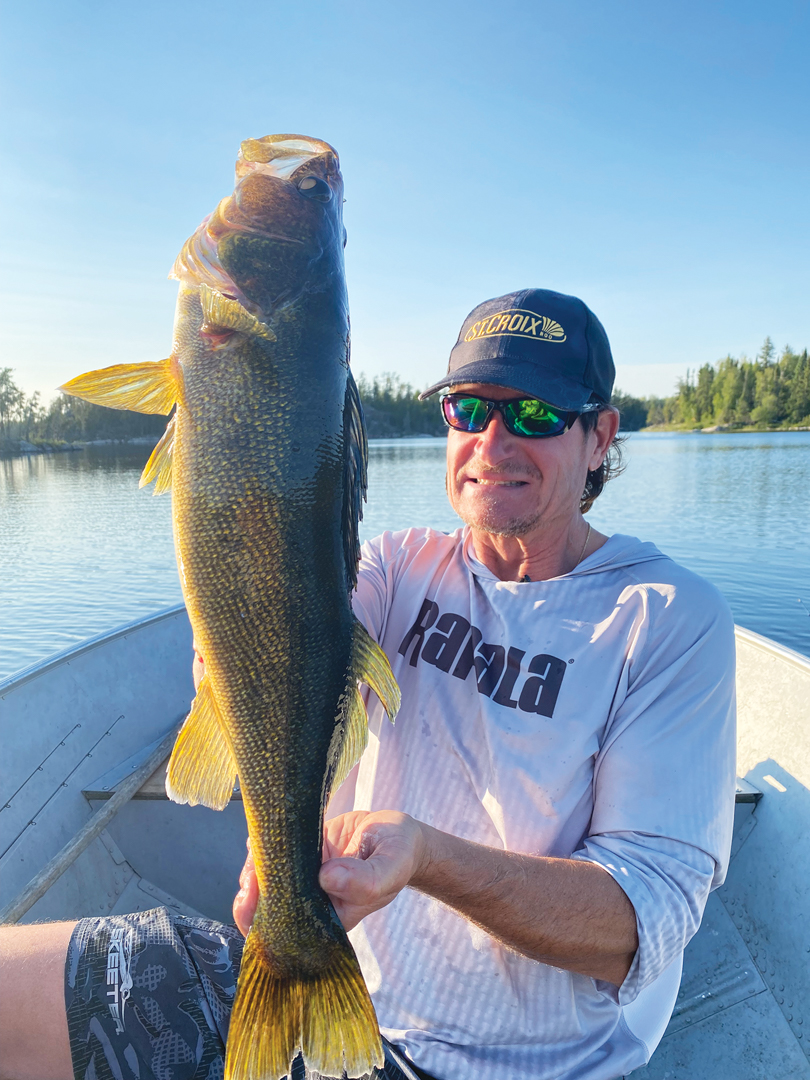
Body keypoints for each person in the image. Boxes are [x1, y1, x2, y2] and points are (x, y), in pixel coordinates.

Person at [0, 288, 737, 1080]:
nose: (493, 442)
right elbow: (270, 650)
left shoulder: (663, 617)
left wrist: (424, 856)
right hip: (336, 1007)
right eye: (467, 409)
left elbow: (637, 925)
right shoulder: (392, 567)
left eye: (534, 414)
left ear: (600, 436)